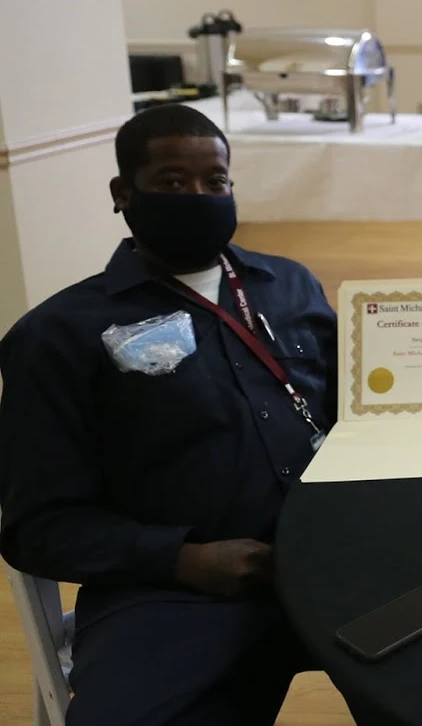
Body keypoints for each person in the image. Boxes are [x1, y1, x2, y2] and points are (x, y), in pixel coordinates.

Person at [0, 105, 335, 725]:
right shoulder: (57, 336)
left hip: (334, 561)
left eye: (215, 181)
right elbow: (37, 527)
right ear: (123, 194)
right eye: (173, 182)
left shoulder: (290, 286)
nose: (199, 196)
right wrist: (183, 560)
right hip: (176, 591)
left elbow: (358, 420)